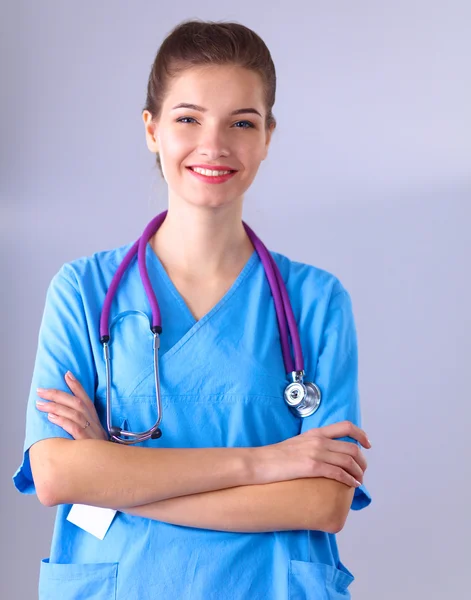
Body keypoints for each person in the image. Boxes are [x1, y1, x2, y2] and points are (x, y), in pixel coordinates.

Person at [12, 19, 372, 600]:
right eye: (188, 118)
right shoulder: (83, 291)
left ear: (267, 136)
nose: (215, 144)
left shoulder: (315, 302)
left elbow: (322, 502)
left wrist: (114, 474)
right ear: (152, 129)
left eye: (242, 122)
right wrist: (264, 464)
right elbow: (57, 476)